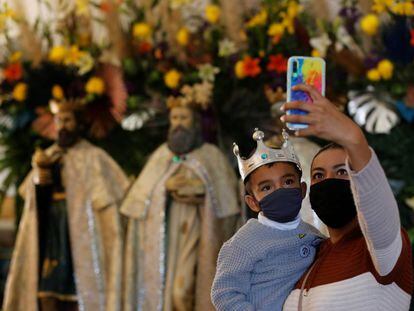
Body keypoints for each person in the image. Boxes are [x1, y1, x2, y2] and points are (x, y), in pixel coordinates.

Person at [281, 84, 413, 310]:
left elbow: (376, 200)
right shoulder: (309, 258)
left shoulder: (385, 251)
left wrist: (352, 138)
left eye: (343, 172)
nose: (328, 181)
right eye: (318, 175)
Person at [2, 99, 130, 311]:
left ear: (79, 124)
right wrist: (40, 183)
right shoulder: (48, 156)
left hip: (81, 238)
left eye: (67, 120)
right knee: (47, 289)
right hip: (52, 234)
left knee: (77, 294)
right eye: (59, 120)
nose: (62, 126)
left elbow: (109, 202)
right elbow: (31, 200)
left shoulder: (94, 158)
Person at [121, 93, 240, 311]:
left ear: (195, 123)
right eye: (174, 118)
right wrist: (164, 189)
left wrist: (201, 191)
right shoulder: (160, 156)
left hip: (199, 232)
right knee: (170, 294)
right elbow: (140, 202)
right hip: (168, 236)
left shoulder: (211, 155)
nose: (178, 124)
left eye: (184, 118)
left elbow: (229, 204)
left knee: (182, 292)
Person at [211, 128, 323, 311]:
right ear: (253, 203)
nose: (279, 191)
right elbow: (224, 293)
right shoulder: (243, 244)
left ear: (302, 189)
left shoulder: (312, 234)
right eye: (266, 188)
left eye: (287, 182)